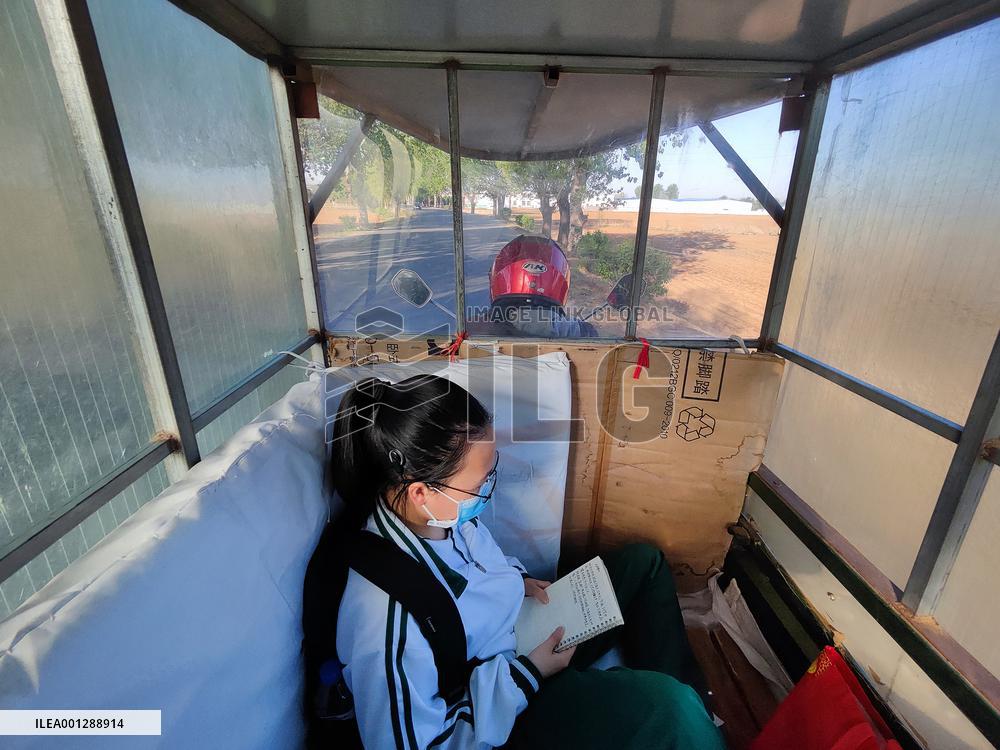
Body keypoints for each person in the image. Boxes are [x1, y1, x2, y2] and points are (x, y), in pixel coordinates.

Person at [327, 374, 724, 750]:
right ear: (420, 492)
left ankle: (691, 718)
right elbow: (422, 743)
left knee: (645, 563)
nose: (487, 491)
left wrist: (518, 580)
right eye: (479, 483)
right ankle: (678, 718)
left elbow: (481, 567)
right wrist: (529, 674)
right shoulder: (385, 615)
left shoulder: (440, 515)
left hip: (530, 628)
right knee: (668, 707)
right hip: (514, 697)